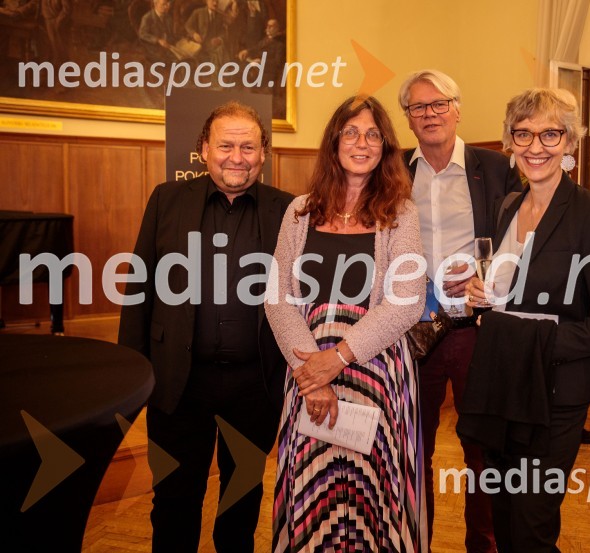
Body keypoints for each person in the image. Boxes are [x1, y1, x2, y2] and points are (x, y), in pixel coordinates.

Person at [460, 87, 590, 552]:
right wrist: (481, 297)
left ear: (570, 142)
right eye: (524, 134)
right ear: (510, 142)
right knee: (503, 517)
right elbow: (507, 297)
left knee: (531, 527)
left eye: (550, 134)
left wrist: (529, 338)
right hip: (502, 384)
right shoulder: (507, 206)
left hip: (554, 393)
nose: (536, 146)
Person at [118, 101, 294, 552]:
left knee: (242, 500)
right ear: (203, 149)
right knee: (174, 501)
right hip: (179, 383)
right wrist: (132, 376)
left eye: (248, 147)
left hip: (256, 385)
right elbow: (139, 287)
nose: (237, 157)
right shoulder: (166, 199)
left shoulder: (289, 210)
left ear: (264, 153)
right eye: (225, 146)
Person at [265, 95, 426, 552]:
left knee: (373, 498)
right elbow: (277, 297)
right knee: (313, 491)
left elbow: (407, 301)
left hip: (377, 373)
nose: (362, 142)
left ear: (385, 147)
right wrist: (311, 374)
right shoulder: (299, 211)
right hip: (307, 374)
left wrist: (337, 358)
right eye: (351, 132)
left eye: (373, 134)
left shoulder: (401, 212)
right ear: (334, 142)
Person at [398, 69, 522, 553]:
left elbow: (520, 238)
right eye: (418, 107)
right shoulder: (393, 172)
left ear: (457, 110)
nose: (430, 114)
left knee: (483, 452)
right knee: (413, 451)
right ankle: (416, 542)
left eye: (439, 104)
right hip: (412, 330)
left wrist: (484, 269)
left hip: (476, 329)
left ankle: (483, 545)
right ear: (408, 118)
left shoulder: (496, 168)